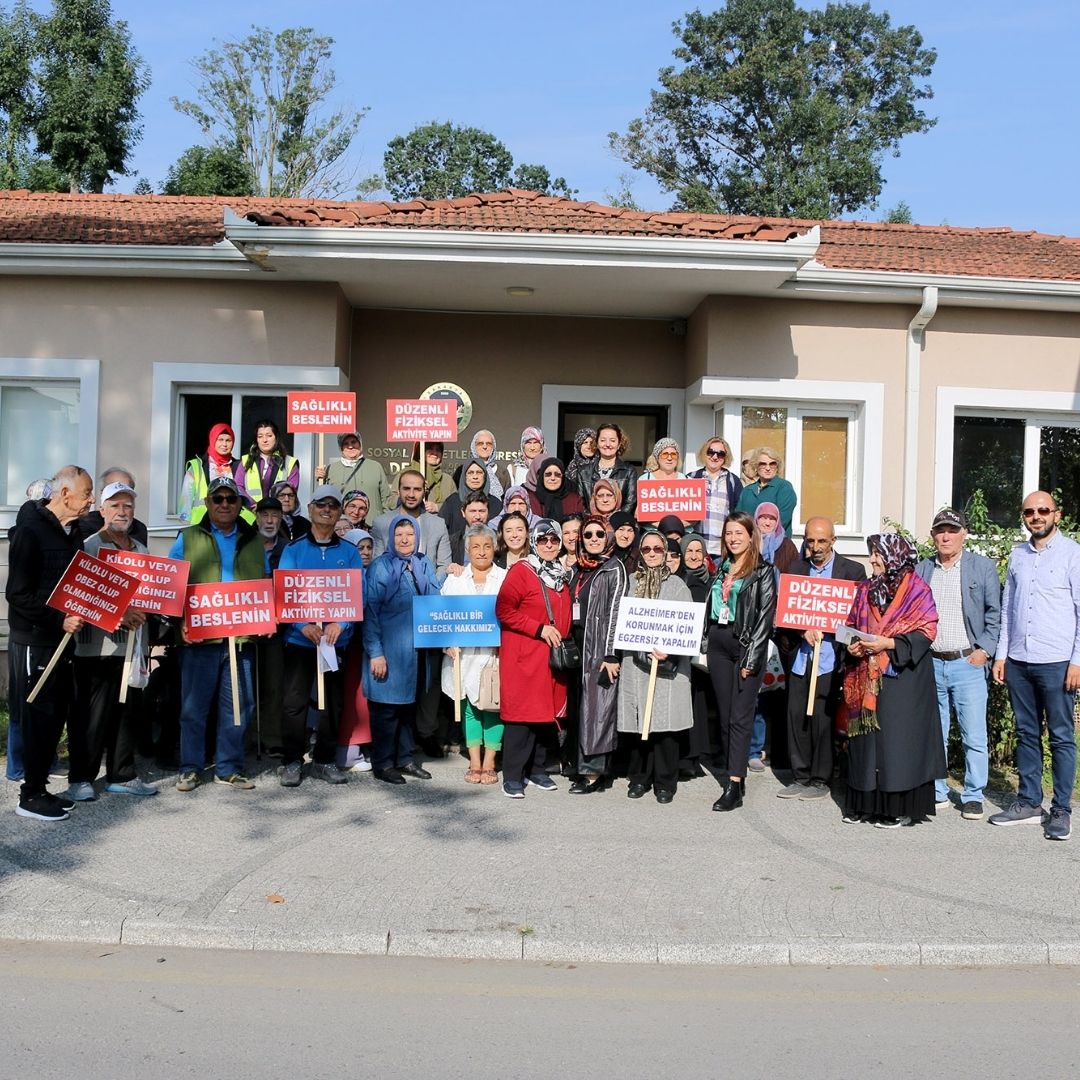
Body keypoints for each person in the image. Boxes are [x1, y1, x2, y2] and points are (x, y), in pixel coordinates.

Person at [168, 475, 266, 793]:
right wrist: (180, 620)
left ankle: (229, 767)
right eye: (218, 499)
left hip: (240, 638)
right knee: (194, 707)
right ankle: (191, 767)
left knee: (239, 705)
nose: (225, 504)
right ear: (208, 503)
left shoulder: (253, 540)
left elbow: (264, 582)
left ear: (240, 504)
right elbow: (172, 583)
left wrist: (264, 617)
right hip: (200, 637)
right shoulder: (188, 537)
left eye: (231, 499)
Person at [6, 465, 93, 820]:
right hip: (34, 641)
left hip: (63, 641)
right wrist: (59, 618)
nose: (92, 500)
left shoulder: (72, 533)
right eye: (87, 493)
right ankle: (30, 795)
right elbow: (17, 594)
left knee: (55, 715)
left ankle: (41, 788)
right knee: (36, 716)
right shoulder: (30, 532)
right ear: (65, 494)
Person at [991, 492, 1080, 839]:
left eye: (1043, 510)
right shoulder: (1018, 556)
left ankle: (1061, 810)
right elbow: (1008, 610)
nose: (1036, 516)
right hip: (1019, 660)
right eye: (1030, 511)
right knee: (1026, 733)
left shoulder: (1073, 554)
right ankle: (1029, 802)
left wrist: (1077, 661)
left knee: (1060, 737)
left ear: (1056, 515)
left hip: (1058, 662)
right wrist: (1002, 655)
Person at [842, 533, 943, 828]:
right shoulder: (865, 589)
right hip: (866, 675)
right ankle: (864, 804)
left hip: (903, 678)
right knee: (866, 743)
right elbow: (851, 625)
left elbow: (926, 630)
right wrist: (851, 644)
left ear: (895, 556)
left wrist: (887, 644)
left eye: (877, 554)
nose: (872, 559)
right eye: (871, 553)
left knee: (897, 745)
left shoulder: (917, 590)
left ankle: (894, 808)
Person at [68, 480, 158, 801]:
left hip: (131, 647)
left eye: (128, 506)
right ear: (102, 510)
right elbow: (82, 594)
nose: (123, 511)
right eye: (116, 505)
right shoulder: (90, 546)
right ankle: (80, 777)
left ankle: (121, 773)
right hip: (97, 647)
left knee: (125, 711)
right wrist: (121, 613)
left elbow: (153, 593)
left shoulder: (141, 550)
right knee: (92, 716)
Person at [914, 508, 1000, 821]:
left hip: (968, 662)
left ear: (963, 533)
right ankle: (937, 791)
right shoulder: (923, 569)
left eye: (952, 530)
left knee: (973, 734)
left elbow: (994, 614)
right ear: (933, 535)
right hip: (931, 663)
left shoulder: (981, 567)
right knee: (934, 732)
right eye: (940, 530)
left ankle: (973, 794)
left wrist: (984, 651)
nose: (946, 536)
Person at [276, 486, 362, 787]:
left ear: (339, 511)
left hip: (333, 642)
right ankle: (291, 761)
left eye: (333, 505)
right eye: (321, 504)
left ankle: (325, 759)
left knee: (332, 703)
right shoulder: (293, 550)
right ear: (310, 508)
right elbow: (285, 594)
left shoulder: (349, 553)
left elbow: (355, 595)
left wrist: (341, 623)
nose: (327, 509)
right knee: (294, 702)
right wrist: (302, 625)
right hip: (302, 641)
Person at [776, 517, 866, 801]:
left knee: (823, 720)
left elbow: (860, 618)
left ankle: (820, 778)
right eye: (810, 540)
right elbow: (785, 613)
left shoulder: (852, 571)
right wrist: (801, 628)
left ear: (833, 541)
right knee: (796, 715)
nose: (815, 547)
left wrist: (833, 629)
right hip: (802, 657)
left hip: (832, 658)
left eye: (822, 541)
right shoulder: (796, 569)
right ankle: (800, 775)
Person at [495, 519, 572, 798]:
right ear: (534, 542)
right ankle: (513, 775)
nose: (549, 545)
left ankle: (537, 769)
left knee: (544, 715)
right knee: (521, 718)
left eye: (554, 540)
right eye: (543, 540)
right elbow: (503, 610)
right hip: (524, 655)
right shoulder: (522, 571)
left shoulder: (561, 574)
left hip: (550, 658)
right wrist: (538, 629)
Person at [707, 510, 777, 812]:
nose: (733, 538)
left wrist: (751, 657)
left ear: (751, 536)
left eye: (739, 533)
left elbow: (764, 619)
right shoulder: (721, 568)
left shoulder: (762, 571)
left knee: (740, 717)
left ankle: (733, 785)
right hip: (718, 646)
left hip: (746, 646)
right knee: (725, 717)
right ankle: (736, 772)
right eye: (729, 533)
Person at [362, 515, 440, 785]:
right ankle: (383, 763)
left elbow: (435, 600)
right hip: (389, 651)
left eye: (410, 535)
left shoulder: (423, 563)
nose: (405, 540)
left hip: (417, 653)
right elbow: (370, 612)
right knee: (386, 711)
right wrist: (375, 652)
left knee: (409, 709)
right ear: (391, 537)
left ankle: (405, 759)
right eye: (399, 535)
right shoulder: (380, 567)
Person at [618, 528, 694, 804]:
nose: (651, 554)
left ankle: (665, 782)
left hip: (667, 667)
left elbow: (685, 626)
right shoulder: (628, 582)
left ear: (665, 553)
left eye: (657, 549)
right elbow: (620, 620)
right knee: (640, 723)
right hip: (635, 663)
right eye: (646, 549)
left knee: (665, 727)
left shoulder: (677, 586)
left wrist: (669, 650)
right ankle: (639, 778)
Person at [441, 524, 507, 784]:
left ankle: (490, 761)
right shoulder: (455, 580)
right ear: (467, 550)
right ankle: (475, 762)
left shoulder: (505, 578)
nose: (481, 552)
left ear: (495, 549)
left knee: (493, 706)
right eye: (476, 547)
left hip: (494, 655)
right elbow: (441, 617)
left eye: (487, 546)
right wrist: (445, 643)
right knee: (469, 707)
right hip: (462, 655)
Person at [568, 515, 628, 793]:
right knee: (581, 707)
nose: (593, 539)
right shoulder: (579, 568)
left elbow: (616, 611)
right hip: (577, 646)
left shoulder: (614, 568)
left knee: (598, 709)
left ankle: (594, 773)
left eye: (599, 534)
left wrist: (611, 653)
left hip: (599, 648)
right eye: (588, 534)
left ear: (609, 537)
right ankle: (579, 762)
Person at [678, 532, 716, 778]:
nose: (693, 556)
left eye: (697, 551)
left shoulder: (712, 581)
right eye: (688, 551)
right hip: (681, 652)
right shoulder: (677, 579)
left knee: (700, 704)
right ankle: (683, 757)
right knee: (683, 702)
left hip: (702, 652)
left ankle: (697, 755)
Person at [370, 469, 451, 581]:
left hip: (428, 593)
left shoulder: (438, 524)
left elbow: (444, 565)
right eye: (406, 488)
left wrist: (432, 589)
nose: (411, 494)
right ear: (398, 491)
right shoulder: (381, 523)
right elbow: (377, 564)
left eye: (417, 489)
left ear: (424, 492)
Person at [179, 423, 251, 524]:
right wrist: (187, 528)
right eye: (220, 440)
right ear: (213, 440)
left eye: (228, 440)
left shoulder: (239, 466)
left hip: (233, 526)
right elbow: (186, 499)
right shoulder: (197, 466)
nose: (224, 444)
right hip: (202, 526)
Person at [688, 437, 742, 557]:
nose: (715, 457)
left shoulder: (733, 481)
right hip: (695, 549)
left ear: (726, 457)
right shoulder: (691, 478)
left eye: (720, 454)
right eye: (711, 452)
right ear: (704, 453)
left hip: (722, 550)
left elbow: (738, 515)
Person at [316, 430, 390, 515]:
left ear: (360, 444)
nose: (350, 446)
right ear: (341, 448)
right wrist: (320, 478)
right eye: (346, 444)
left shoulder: (376, 467)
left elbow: (386, 499)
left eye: (354, 442)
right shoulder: (331, 469)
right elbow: (325, 499)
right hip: (343, 525)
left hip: (371, 525)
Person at [576, 422, 637, 518]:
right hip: (592, 526)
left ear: (619, 444)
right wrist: (595, 521)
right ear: (597, 443)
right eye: (603, 440)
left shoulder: (629, 471)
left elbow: (630, 502)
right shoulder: (583, 472)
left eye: (612, 440)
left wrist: (614, 520)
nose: (607, 444)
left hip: (619, 525)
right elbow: (580, 503)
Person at [79, 466, 149, 546]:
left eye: (126, 490)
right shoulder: (85, 522)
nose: (121, 512)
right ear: (102, 494)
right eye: (115, 505)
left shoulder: (140, 529)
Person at [736, 447, 797, 536]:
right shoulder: (747, 491)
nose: (768, 468)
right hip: (750, 544)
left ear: (777, 467)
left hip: (775, 544)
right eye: (763, 464)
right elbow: (739, 519)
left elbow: (782, 520)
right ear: (756, 466)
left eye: (772, 464)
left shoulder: (784, 488)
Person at [440, 457, 502, 541]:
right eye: (470, 473)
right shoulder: (451, 502)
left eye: (479, 472)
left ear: (485, 476)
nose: (475, 477)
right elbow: (441, 532)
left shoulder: (495, 503)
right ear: (464, 476)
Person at [241, 419, 299, 505]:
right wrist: (255, 504)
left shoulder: (289, 462)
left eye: (269, 435)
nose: (264, 440)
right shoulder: (246, 461)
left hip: (279, 514)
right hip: (250, 513)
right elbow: (239, 488)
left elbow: (291, 493)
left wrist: (268, 506)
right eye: (260, 436)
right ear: (256, 440)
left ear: (276, 437)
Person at [527, 458, 584, 523]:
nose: (553, 478)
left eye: (557, 475)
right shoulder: (531, 499)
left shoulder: (574, 500)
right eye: (548, 474)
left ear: (563, 477)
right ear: (542, 477)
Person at [405, 441, 456, 512]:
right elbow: (391, 501)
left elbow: (455, 505)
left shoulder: (447, 480)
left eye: (438, 450)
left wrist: (437, 507)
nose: (434, 453)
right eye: (430, 449)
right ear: (421, 451)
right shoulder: (406, 474)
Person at [448, 492, 493, 570]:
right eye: (473, 511)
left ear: (488, 512)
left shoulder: (497, 539)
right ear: (463, 512)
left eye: (482, 511)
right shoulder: (453, 541)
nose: (478, 516)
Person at [756, 502, 798, 578]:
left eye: (772, 519)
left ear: (777, 521)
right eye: (764, 518)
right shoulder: (749, 541)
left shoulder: (787, 545)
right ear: (756, 519)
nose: (767, 523)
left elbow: (795, 574)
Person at [469, 428, 504, 499]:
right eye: (480, 443)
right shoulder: (464, 470)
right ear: (474, 446)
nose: (484, 447)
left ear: (493, 447)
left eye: (489, 444)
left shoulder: (502, 472)